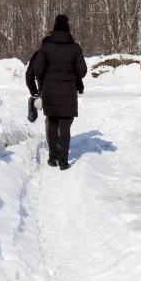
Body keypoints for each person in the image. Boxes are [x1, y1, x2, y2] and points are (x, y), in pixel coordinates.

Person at [34, 15, 88, 170]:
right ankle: (63, 159)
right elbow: (82, 71)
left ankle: (52, 157)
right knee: (65, 125)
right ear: (68, 30)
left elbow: (37, 69)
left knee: (52, 123)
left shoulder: (46, 47)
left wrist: (46, 79)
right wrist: (72, 77)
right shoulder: (75, 48)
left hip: (50, 90)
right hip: (68, 90)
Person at [26, 35, 85, 145]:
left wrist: (34, 92)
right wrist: (35, 93)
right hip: (62, 91)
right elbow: (74, 73)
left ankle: (54, 143)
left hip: (48, 92)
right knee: (63, 118)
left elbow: (29, 76)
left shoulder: (42, 55)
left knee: (51, 118)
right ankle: (57, 142)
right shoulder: (60, 54)